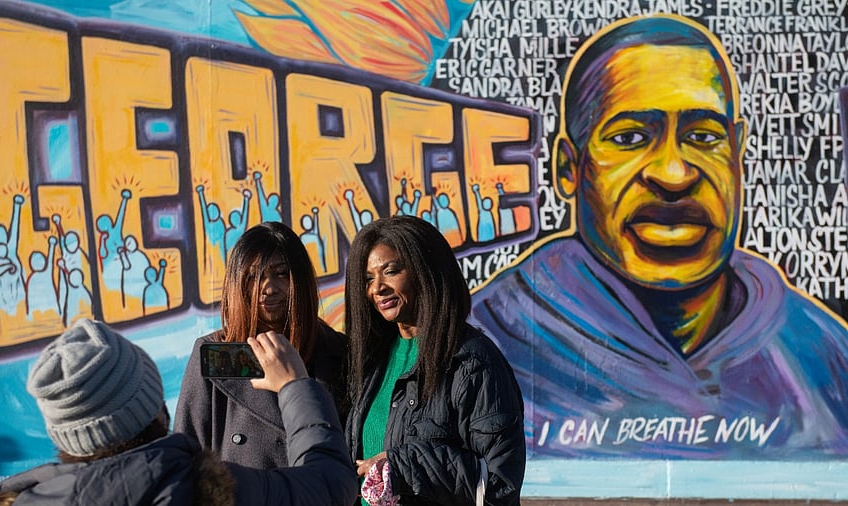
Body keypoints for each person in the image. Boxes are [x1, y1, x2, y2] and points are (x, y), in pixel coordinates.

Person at [469, 14, 848, 459]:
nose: (674, 174)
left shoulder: (823, 357)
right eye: (630, 137)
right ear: (569, 169)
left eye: (704, 136)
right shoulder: (485, 344)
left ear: (738, 156)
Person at [0, 318, 356, 505]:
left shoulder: (27, 496)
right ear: (155, 408)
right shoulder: (201, 489)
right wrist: (295, 385)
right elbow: (330, 483)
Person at [344, 215, 525, 505]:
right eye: (368, 279)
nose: (377, 287)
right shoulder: (372, 361)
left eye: (391, 271)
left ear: (425, 271)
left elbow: (499, 483)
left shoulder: (472, 362)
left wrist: (404, 465)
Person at [175, 221, 349, 469]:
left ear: (300, 279)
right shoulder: (216, 355)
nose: (268, 288)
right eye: (254, 276)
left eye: (281, 274)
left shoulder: (337, 352)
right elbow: (187, 456)